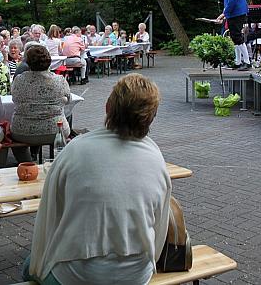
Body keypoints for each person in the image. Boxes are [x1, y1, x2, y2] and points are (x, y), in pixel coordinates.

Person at [24, 74, 171, 285]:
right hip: (136, 274)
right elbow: (160, 226)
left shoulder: (75, 149)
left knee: (29, 265)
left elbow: (49, 215)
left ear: (108, 107)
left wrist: (40, 263)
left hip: (76, 275)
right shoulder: (155, 157)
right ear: (151, 116)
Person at [11, 45, 71, 161]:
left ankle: (27, 163)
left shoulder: (19, 79)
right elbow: (68, 99)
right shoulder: (59, 80)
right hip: (55, 130)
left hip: (22, 131)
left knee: (14, 139)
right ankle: (58, 163)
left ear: (28, 62)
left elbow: (14, 98)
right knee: (67, 117)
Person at [215, 0, 251, 71]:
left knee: (237, 36)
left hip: (237, 12)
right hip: (233, 13)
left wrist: (224, 13)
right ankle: (238, 61)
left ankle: (247, 62)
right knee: (234, 37)